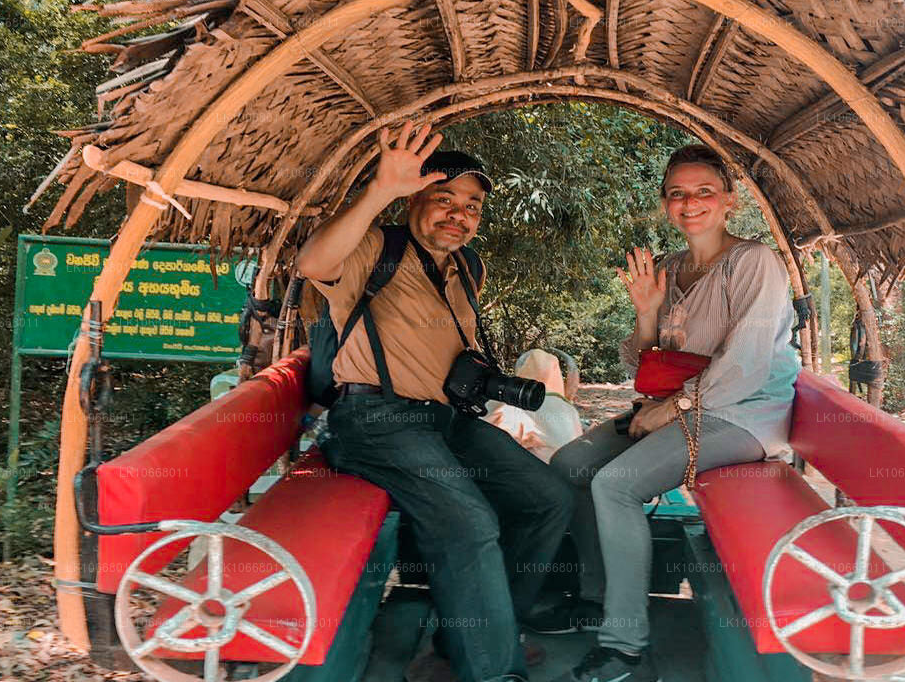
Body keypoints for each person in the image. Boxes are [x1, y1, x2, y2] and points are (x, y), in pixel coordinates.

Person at [296, 120, 573, 682]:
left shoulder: (468, 268)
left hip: (443, 420)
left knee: (547, 497)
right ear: (412, 199)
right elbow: (313, 264)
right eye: (444, 198)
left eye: (471, 206)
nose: (458, 214)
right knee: (468, 522)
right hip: (375, 420)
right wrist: (380, 189)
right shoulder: (376, 247)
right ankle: (494, 670)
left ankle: (468, 639)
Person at [546, 145, 801, 682]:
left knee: (616, 484)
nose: (691, 203)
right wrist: (645, 313)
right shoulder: (669, 268)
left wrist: (671, 410)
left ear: (729, 200)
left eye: (704, 191)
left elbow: (746, 366)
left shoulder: (753, 262)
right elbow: (645, 363)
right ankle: (600, 597)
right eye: (677, 193)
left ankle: (625, 648)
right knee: (571, 465)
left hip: (744, 414)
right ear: (665, 203)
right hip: (678, 405)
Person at [484, 348, 585, 463]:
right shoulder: (569, 409)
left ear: (521, 372)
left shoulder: (502, 403)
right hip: (564, 468)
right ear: (556, 375)